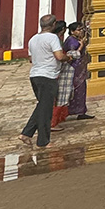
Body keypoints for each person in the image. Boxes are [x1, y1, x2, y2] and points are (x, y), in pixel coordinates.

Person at [20, 14, 68, 148]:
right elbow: (59, 56)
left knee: (43, 105)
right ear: (53, 25)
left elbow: (30, 58)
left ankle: (27, 133)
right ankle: (43, 141)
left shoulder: (33, 39)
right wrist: (67, 58)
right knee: (46, 110)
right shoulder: (52, 38)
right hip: (48, 76)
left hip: (35, 74)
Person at [64, 21, 93, 119]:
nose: (81, 31)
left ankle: (81, 111)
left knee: (81, 90)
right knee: (74, 91)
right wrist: (80, 47)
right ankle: (68, 111)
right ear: (72, 32)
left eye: (81, 29)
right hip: (74, 69)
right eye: (78, 30)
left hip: (80, 69)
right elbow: (72, 54)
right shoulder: (71, 41)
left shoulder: (78, 39)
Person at [51, 20, 72, 129]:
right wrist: (69, 57)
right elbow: (60, 56)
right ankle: (53, 122)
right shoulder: (55, 40)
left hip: (48, 72)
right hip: (56, 72)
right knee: (58, 97)